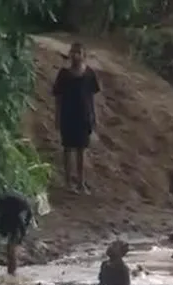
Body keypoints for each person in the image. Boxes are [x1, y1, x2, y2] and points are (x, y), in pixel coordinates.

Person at [52, 42, 101, 194]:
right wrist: (57, 116)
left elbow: (92, 98)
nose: (75, 55)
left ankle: (81, 182)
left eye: (79, 52)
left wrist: (93, 117)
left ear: (84, 55)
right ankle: (68, 182)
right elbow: (58, 97)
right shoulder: (64, 74)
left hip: (84, 116)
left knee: (82, 150)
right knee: (68, 149)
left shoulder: (89, 74)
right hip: (68, 115)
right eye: (73, 52)